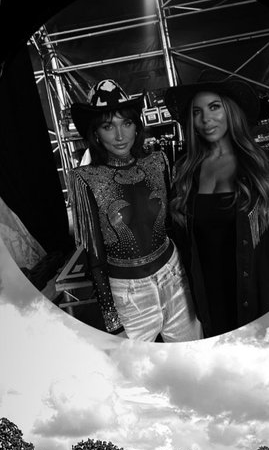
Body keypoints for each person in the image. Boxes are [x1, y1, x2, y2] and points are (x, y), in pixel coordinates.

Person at [162, 76, 269, 338]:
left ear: (230, 111)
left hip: (262, 301)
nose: (205, 119)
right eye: (196, 112)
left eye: (214, 107)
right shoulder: (183, 173)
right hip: (209, 304)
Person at [69, 80, 202, 341]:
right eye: (109, 126)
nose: (120, 136)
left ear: (136, 125)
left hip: (175, 279)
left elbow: (176, 226)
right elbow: (94, 253)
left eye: (126, 123)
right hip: (129, 297)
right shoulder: (85, 178)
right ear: (96, 133)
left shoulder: (158, 162)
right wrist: (111, 319)